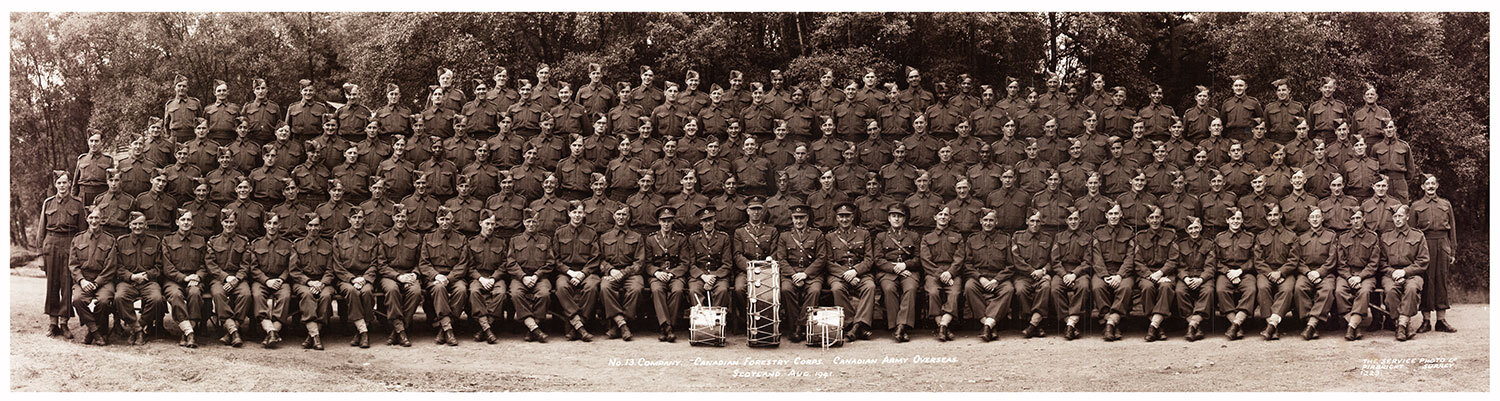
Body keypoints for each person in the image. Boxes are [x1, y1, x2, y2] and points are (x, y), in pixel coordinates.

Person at [40, 170, 85, 338]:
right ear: (55, 184)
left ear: (69, 183)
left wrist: (80, 253)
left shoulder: (77, 204)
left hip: (69, 245)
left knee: (67, 285)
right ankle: (53, 323)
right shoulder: (48, 203)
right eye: (59, 183)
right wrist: (40, 255)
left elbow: (82, 231)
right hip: (51, 245)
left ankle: (64, 323)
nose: (62, 186)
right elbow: (41, 230)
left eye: (65, 182)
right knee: (52, 284)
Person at [1411, 175, 1457, 333]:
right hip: (1425, 244)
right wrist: (1414, 253)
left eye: (1433, 183)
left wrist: (1452, 250)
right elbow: (1412, 232)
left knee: (1441, 280)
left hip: (1443, 244)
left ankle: (1441, 320)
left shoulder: (1446, 204)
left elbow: (1452, 229)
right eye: (1427, 184)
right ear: (1422, 187)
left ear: (1437, 185)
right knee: (1426, 281)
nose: (1430, 186)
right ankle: (1426, 321)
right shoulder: (1416, 206)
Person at [775, 201, 827, 342]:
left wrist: (805, 274)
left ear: (807, 218)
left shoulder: (817, 235)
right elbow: (781, 259)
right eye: (796, 218)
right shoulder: (785, 236)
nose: (799, 221)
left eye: (802, 217)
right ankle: (794, 326)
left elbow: (821, 258)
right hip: (790, 274)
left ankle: (802, 326)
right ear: (792, 218)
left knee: (815, 291)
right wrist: (793, 274)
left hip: (811, 274)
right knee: (786, 290)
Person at [112, 213, 165, 346]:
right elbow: (117, 266)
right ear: (129, 225)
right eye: (134, 224)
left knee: (157, 299)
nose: (138, 227)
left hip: (148, 281)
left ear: (146, 225)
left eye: (141, 223)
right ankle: (138, 330)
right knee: (119, 297)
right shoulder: (121, 242)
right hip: (127, 281)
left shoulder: (155, 241)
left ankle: (138, 326)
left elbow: (159, 267)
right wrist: (132, 276)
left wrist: (146, 275)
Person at [553, 202, 601, 341]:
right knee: (562, 287)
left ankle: (577, 326)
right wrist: (570, 272)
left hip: (587, 271)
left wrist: (583, 273)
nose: (577, 215)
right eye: (574, 212)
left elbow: (595, 257)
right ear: (569, 214)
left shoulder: (591, 233)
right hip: (566, 272)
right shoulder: (560, 232)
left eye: (580, 212)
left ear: (584, 214)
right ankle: (580, 326)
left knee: (592, 287)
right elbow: (555, 259)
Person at [1128, 207, 1177, 341]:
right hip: (1146, 274)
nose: (1154, 220)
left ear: (1162, 218)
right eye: (1151, 218)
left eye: (1157, 217)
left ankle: (1153, 326)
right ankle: (1157, 326)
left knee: (1166, 287)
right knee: (1147, 287)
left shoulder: (1170, 235)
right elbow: (1137, 261)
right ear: (1147, 220)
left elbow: (1173, 259)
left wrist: (1160, 273)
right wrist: (1151, 275)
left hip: (1166, 273)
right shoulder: (1140, 236)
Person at [459, 212, 509, 344]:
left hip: (496, 277)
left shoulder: (501, 242)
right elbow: (469, 266)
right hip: (478, 277)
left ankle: (485, 328)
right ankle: (487, 329)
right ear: (480, 223)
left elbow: (504, 264)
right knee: (474, 292)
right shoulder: (472, 242)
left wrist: (493, 278)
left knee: (501, 293)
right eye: (487, 223)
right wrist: (481, 279)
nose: (490, 227)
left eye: (493, 224)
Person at [70, 207, 117, 345]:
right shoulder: (78, 239)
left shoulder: (109, 239)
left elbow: (111, 266)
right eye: (91, 217)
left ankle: (96, 332)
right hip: (84, 279)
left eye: (97, 218)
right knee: (78, 300)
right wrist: (82, 281)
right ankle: (95, 331)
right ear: (86, 219)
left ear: (102, 220)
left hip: (103, 280)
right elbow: (73, 265)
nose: (94, 221)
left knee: (103, 301)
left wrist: (97, 282)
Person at [874, 204, 921, 342]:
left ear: (904, 219)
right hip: (888, 272)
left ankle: (901, 326)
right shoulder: (881, 236)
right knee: (889, 289)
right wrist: (894, 268)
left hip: (908, 271)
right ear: (889, 218)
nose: (896, 219)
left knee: (910, 288)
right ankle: (896, 327)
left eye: (899, 216)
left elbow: (918, 258)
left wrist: (905, 265)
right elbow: (878, 259)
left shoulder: (913, 236)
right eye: (893, 216)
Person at [161, 211, 207, 348]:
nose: (185, 222)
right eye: (182, 219)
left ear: (192, 223)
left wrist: (198, 276)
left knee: (195, 293)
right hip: (174, 279)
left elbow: (205, 264)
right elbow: (167, 267)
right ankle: (189, 332)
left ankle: (186, 331)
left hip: (194, 278)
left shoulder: (200, 240)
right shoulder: (168, 240)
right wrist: (184, 278)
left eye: (188, 220)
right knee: (176, 295)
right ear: (177, 222)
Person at [1382, 205, 1429, 342]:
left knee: (1412, 289)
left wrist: (1404, 272)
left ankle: (1401, 326)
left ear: (1407, 217)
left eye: (1400, 216)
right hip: (1391, 274)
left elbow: (1423, 260)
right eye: (1395, 216)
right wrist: (1394, 272)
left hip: (1412, 273)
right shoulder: (1385, 236)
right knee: (1391, 291)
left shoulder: (1418, 235)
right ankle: (1402, 324)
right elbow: (1381, 262)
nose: (1397, 219)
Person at [1252, 204, 1299, 340]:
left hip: (1285, 272)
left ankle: (1271, 325)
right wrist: (1270, 273)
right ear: (1266, 217)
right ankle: (1272, 325)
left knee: (1287, 289)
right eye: (1269, 215)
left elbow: (1293, 259)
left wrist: (1280, 272)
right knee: (1262, 287)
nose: (1272, 218)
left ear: (1281, 215)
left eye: (1275, 215)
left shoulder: (1291, 235)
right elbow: (1258, 260)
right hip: (1266, 272)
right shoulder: (1261, 237)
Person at [598, 206, 645, 341]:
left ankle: (619, 324)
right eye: (618, 214)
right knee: (605, 287)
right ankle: (622, 325)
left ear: (628, 217)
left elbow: (639, 262)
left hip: (631, 273)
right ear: (613, 216)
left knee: (636, 289)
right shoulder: (604, 237)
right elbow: (600, 259)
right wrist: (611, 270)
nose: (621, 217)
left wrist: (623, 273)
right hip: (611, 272)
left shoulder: (637, 237)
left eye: (624, 214)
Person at [288, 214, 335, 350]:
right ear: (306, 227)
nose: (313, 228)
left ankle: (312, 335)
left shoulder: (328, 246)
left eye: (316, 225)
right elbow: (294, 270)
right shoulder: (297, 244)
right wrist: (309, 282)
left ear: (320, 227)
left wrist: (322, 283)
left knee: (326, 296)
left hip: (323, 282)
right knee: (307, 295)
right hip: (303, 282)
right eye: (311, 225)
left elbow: (331, 270)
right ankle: (316, 336)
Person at [1291, 207, 1339, 340]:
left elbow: (1332, 258)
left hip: (1325, 272)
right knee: (1299, 288)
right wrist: (1308, 273)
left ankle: (1312, 324)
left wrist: (1319, 273)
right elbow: (1298, 260)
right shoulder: (1301, 237)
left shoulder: (1331, 236)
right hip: (1306, 273)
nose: (1315, 219)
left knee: (1328, 289)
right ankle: (1310, 323)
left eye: (1317, 216)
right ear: (1308, 220)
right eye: (1312, 217)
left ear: (1322, 218)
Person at [1164, 217, 1215, 341]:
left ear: (1201, 228)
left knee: (1208, 291)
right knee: (1180, 291)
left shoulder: (1209, 244)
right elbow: (1178, 266)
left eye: (1196, 227)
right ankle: (1194, 324)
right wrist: (1185, 278)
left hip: (1203, 277)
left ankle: (1192, 325)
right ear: (1187, 230)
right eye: (1190, 228)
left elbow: (1210, 266)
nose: (1194, 231)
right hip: (1186, 277)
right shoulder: (1180, 245)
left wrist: (1201, 279)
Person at [247, 213, 294, 348]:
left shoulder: (287, 244)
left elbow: (290, 267)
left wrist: (281, 279)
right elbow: (253, 268)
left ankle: (273, 331)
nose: (272, 226)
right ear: (264, 225)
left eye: (275, 223)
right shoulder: (256, 244)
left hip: (280, 280)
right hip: (261, 280)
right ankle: (271, 330)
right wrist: (266, 280)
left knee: (285, 296)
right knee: (257, 295)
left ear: (280, 225)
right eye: (269, 223)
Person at [509, 209, 556, 342]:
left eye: (534, 222)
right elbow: (511, 263)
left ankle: (532, 327)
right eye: (528, 221)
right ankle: (534, 328)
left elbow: (550, 262)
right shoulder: (515, 240)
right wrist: (523, 277)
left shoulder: (545, 240)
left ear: (538, 223)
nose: (531, 224)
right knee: (515, 294)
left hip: (540, 278)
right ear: (524, 222)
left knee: (544, 294)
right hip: (520, 278)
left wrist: (536, 276)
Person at [377, 207, 421, 347]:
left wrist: (414, 274)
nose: (400, 219)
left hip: (409, 274)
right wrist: (398, 277)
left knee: (416, 291)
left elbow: (420, 262)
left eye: (403, 216)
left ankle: (397, 330)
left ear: (407, 218)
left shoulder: (416, 237)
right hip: (390, 275)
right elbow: (381, 265)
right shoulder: (383, 237)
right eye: (397, 216)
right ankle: (401, 331)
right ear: (393, 218)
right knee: (392, 290)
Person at [644, 206, 688, 342]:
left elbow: (685, 263)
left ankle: (666, 327)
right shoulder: (651, 239)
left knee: (678, 291)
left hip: (675, 275)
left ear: (673, 222)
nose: (666, 224)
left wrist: (672, 274)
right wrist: (657, 273)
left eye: (669, 221)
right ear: (659, 222)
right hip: (658, 275)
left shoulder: (680, 239)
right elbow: (647, 263)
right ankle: (668, 328)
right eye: (663, 221)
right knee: (657, 290)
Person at [1090, 204, 1134, 341]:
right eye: (1111, 214)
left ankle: (1110, 323)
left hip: (1123, 271)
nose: (1113, 217)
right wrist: (1104, 275)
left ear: (1121, 215)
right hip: (1104, 270)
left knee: (1125, 287)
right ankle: (1111, 322)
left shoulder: (1129, 232)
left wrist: (1120, 275)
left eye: (1116, 214)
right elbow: (1096, 257)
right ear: (1106, 216)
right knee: (1097, 287)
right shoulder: (1098, 232)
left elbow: (1130, 257)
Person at [1335, 210, 1381, 341]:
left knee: (1364, 291)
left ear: (1364, 219)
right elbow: (1341, 263)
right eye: (1353, 218)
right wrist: (1349, 277)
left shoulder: (1372, 237)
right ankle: (1355, 324)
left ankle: (1351, 327)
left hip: (1366, 275)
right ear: (1350, 221)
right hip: (1347, 274)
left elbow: (1374, 263)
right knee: (1339, 291)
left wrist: (1360, 277)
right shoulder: (1343, 237)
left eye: (1358, 218)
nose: (1356, 221)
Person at [1214, 209, 1257, 340]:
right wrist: (1228, 272)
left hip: (1245, 272)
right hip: (1225, 272)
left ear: (1242, 220)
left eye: (1238, 218)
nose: (1235, 221)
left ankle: (1236, 324)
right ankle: (1236, 324)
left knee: (1251, 289)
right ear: (1227, 220)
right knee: (1221, 290)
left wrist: (1240, 271)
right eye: (1232, 219)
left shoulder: (1250, 237)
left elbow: (1254, 259)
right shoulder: (1219, 237)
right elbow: (1215, 260)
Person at [686, 208, 731, 311]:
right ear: (701, 222)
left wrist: (713, 276)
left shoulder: (724, 238)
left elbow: (727, 263)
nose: (708, 223)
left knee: (722, 290)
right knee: (694, 290)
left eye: (710, 220)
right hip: (699, 276)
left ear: (715, 220)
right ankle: (700, 318)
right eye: (705, 221)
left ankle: (716, 318)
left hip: (718, 276)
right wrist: (703, 276)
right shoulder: (694, 238)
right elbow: (691, 264)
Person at [74, 132, 114, 207]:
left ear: (101, 142)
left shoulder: (108, 160)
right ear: (88, 141)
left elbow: (112, 181)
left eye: (96, 141)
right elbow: (75, 182)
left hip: (102, 194)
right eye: (91, 141)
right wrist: (73, 198)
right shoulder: (82, 159)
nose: (93, 144)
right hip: (84, 196)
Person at [164, 74, 203, 142]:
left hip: (192, 137)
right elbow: (166, 124)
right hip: (175, 138)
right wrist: (169, 137)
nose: (181, 88)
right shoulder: (170, 104)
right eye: (179, 86)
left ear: (187, 88)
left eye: (184, 86)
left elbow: (201, 121)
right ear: (175, 88)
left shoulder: (195, 103)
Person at [243, 78, 282, 144]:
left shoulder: (274, 107)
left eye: (263, 88)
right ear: (254, 91)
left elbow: (279, 126)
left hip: (270, 141)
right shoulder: (248, 107)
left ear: (267, 90)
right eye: (258, 88)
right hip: (252, 142)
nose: (260, 91)